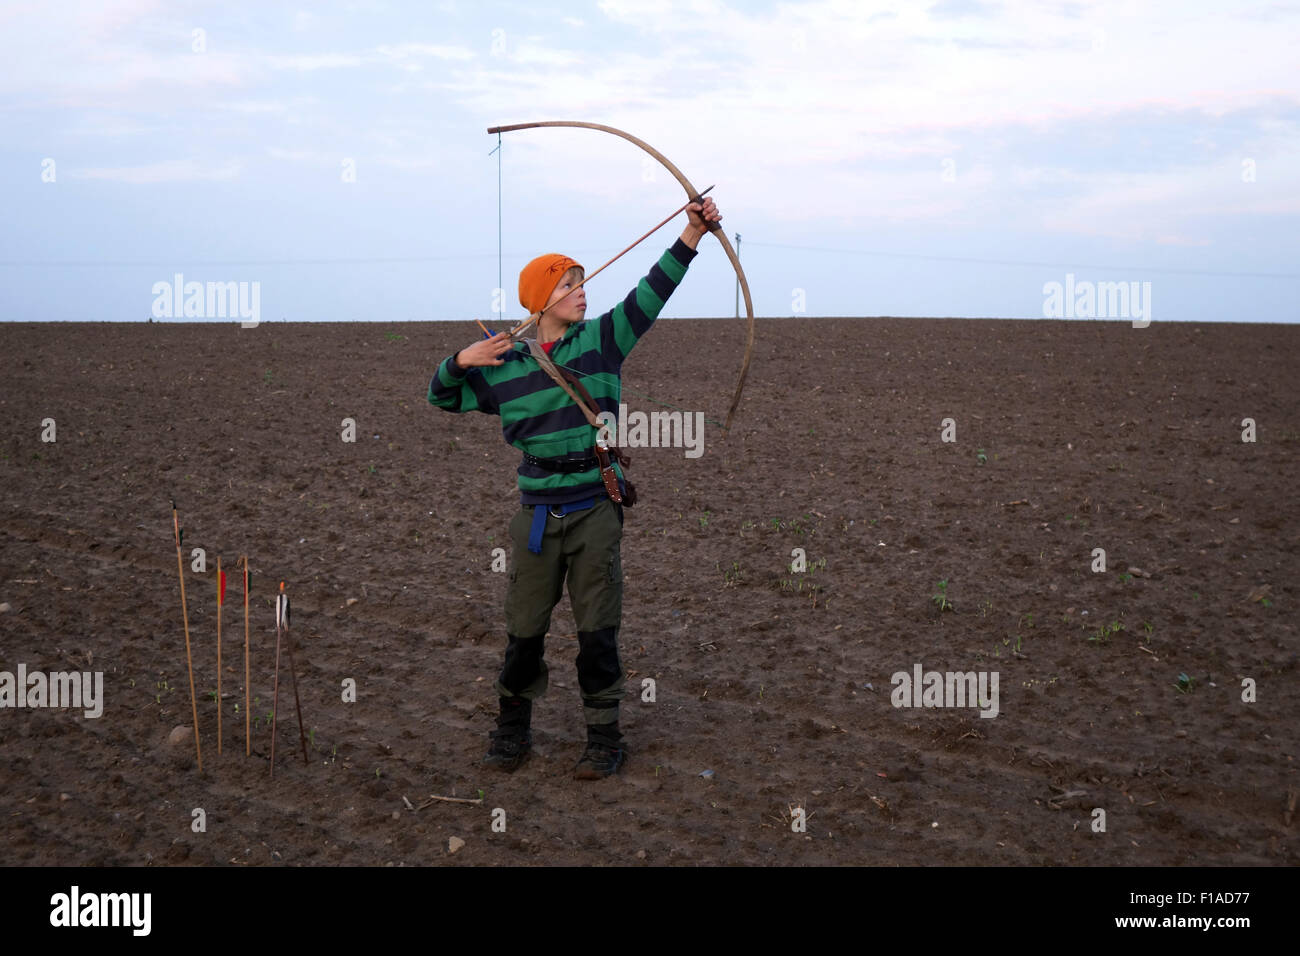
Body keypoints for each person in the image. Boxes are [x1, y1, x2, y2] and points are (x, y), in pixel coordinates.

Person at [427, 196, 721, 779]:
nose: (581, 292)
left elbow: (651, 291)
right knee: (524, 632)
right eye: (568, 285)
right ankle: (511, 733)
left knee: (597, 633)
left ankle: (604, 740)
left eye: (583, 282)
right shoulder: (503, 366)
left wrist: (693, 232)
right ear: (541, 302)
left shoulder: (604, 340)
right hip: (536, 515)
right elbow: (441, 396)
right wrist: (461, 359)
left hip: (593, 510)